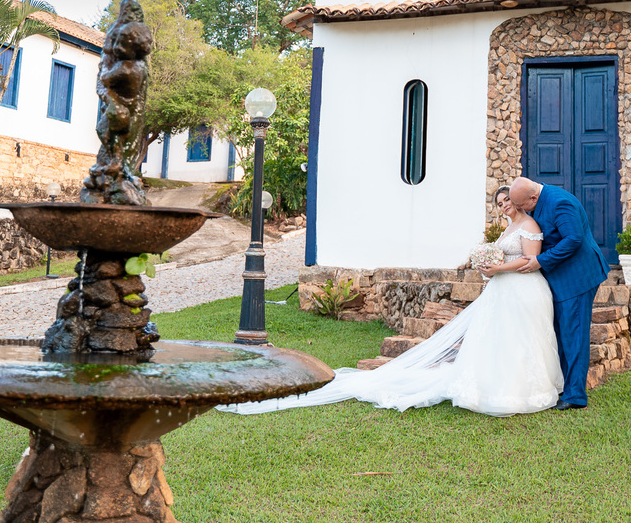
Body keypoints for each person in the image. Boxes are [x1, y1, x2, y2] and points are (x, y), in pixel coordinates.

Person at [218, 187, 563, 417]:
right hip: (502, 289)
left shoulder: (530, 224)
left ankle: (521, 389)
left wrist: (498, 266)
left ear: (520, 202)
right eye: (501, 202)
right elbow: (505, 258)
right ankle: (495, 386)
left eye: (509, 201)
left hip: (523, 289)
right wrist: (487, 266)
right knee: (498, 340)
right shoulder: (506, 228)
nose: (506, 205)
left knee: (522, 341)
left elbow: (528, 260)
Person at [508, 177, 610, 410]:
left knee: (573, 334)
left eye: (522, 205)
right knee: (560, 332)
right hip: (560, 277)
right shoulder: (539, 199)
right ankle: (565, 385)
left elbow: (573, 238)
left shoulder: (560, 202)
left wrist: (540, 261)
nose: (521, 210)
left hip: (577, 277)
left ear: (533, 197)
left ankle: (575, 396)